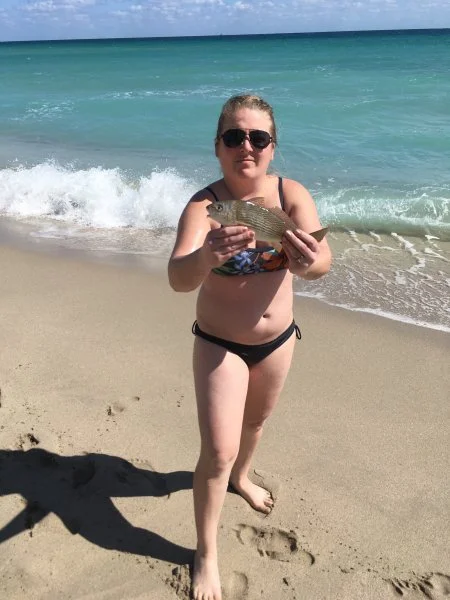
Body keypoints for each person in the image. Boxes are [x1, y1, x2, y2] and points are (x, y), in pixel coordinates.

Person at [168, 94, 332, 600]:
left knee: (255, 425)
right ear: (217, 146)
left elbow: (322, 262)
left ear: (272, 147)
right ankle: (206, 552)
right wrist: (205, 256)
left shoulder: (290, 195)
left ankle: (242, 477)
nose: (247, 146)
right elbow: (177, 278)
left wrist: (307, 261)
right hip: (219, 344)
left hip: (277, 342)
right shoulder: (205, 207)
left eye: (258, 137)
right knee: (218, 450)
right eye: (234, 136)